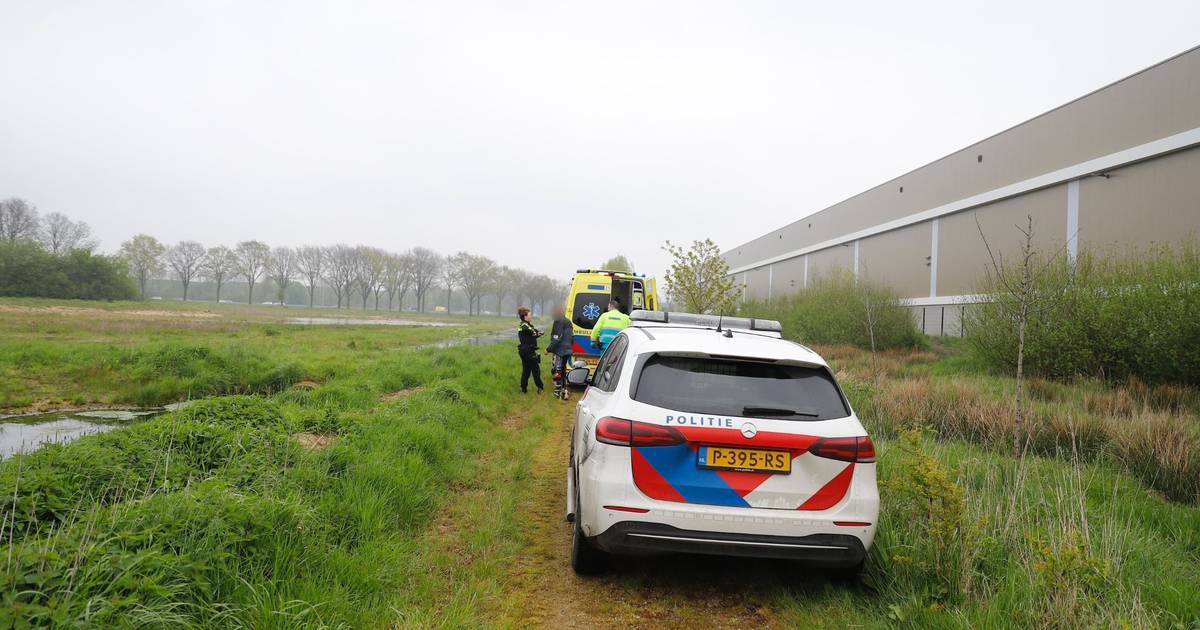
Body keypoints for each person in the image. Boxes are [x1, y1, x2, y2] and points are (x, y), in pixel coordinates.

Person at [545, 304, 574, 400]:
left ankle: (557, 393)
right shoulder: (568, 322)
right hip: (568, 350)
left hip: (560, 351)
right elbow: (572, 338)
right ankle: (565, 390)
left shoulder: (558, 322)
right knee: (563, 370)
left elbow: (556, 338)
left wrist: (548, 349)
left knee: (557, 371)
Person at [516, 306, 544, 394]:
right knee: (535, 369)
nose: (531, 316)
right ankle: (540, 387)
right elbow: (534, 332)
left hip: (525, 350)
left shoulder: (527, 325)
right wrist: (539, 333)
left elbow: (534, 332)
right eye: (530, 315)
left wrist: (538, 333)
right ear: (525, 316)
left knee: (526, 370)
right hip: (527, 351)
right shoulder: (524, 325)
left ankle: (523, 388)